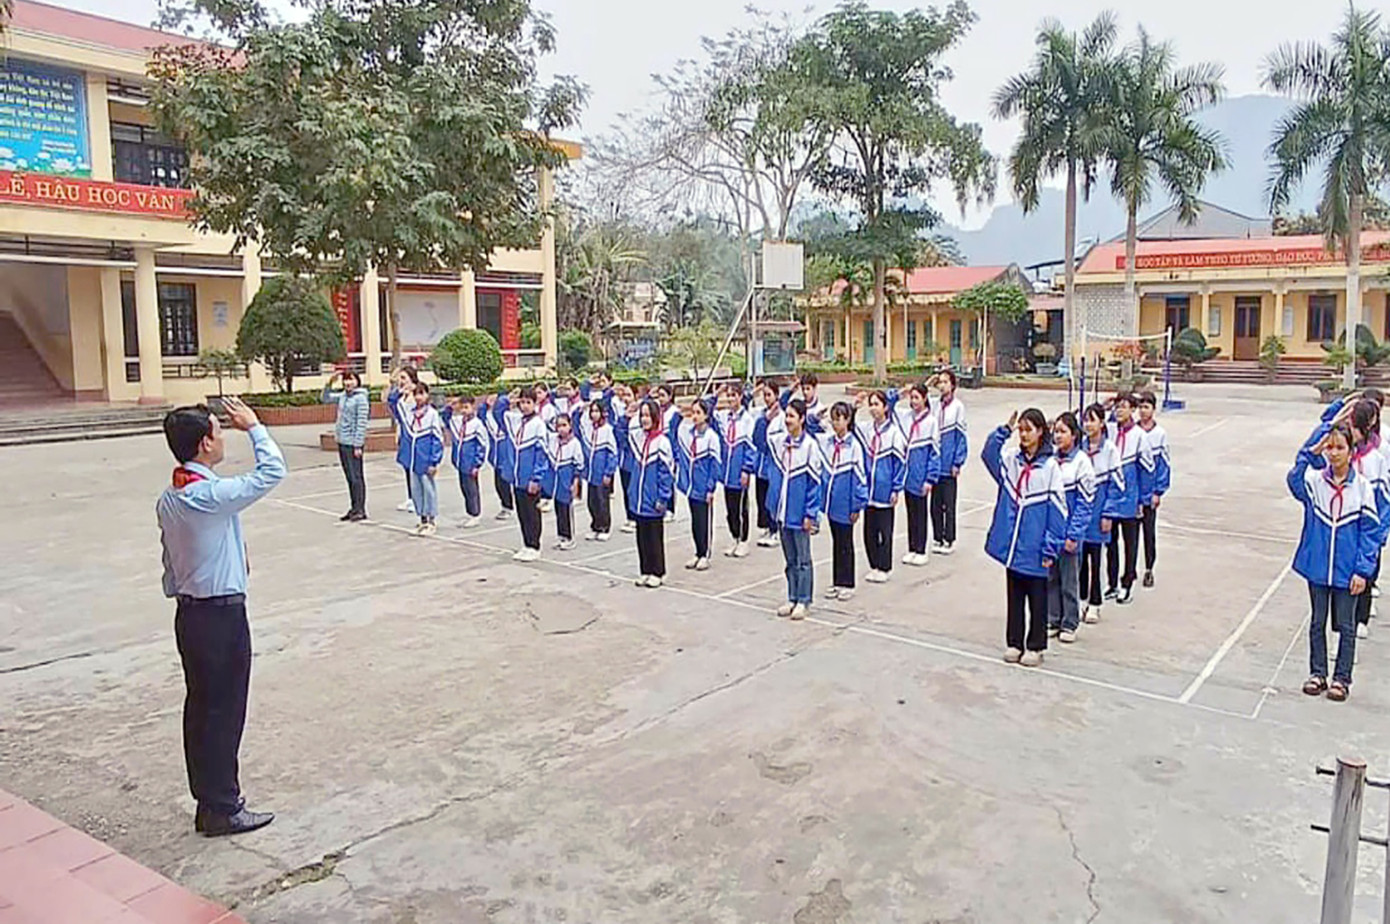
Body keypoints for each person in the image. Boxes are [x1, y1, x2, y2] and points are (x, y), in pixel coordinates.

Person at [157, 397, 286, 836]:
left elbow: (172, 561)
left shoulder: (172, 496)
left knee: (202, 710)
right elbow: (272, 472)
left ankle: (209, 801)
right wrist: (255, 427)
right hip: (219, 617)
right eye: (219, 429)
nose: (224, 435)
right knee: (223, 712)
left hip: (191, 614)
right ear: (205, 442)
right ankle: (223, 806)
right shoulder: (207, 494)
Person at [1289, 416, 1379, 702]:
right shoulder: (1315, 483)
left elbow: (1370, 533)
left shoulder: (1362, 488)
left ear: (1351, 451)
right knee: (1317, 622)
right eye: (1330, 447)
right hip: (1318, 567)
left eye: (1340, 447)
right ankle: (1317, 673)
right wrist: (1311, 450)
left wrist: (1363, 571)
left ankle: (1341, 678)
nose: (1334, 452)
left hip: (1347, 570)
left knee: (1346, 625)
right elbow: (1293, 479)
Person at [983, 408, 1068, 667]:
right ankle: (1014, 642)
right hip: (1013, 545)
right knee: (1015, 595)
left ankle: (1036, 645)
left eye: (1028, 429)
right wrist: (1003, 432)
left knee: (1038, 597)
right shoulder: (1012, 461)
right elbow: (988, 456)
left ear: (1041, 432)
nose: (1023, 434)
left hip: (1036, 545)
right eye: (1021, 429)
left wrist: (1050, 548)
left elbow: (1058, 512)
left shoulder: (1050, 467)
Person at [758, 399, 823, 619]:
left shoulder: (810, 447)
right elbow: (759, 440)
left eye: (792, 416)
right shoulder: (779, 443)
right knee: (790, 559)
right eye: (786, 416)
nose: (787, 420)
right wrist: (765, 418)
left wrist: (810, 513)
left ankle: (804, 600)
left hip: (800, 512)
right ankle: (792, 596)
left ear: (802, 419)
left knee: (803, 559)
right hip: (782, 512)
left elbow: (815, 483)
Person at [615, 398, 676, 587]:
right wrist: (625, 417)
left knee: (654, 535)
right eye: (642, 415)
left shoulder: (662, 442)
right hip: (638, 497)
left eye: (648, 415)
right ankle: (645, 570)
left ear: (656, 417)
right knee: (641, 536)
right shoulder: (638, 439)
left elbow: (666, 473)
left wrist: (663, 497)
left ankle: (658, 571)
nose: (644, 419)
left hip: (654, 497)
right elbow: (620, 436)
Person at [1047, 412, 1094, 644]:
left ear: (1074, 436)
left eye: (1063, 432)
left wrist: (1074, 533)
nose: (1058, 436)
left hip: (1069, 533)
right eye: (1055, 431)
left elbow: (1085, 504)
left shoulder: (1082, 463)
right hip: (1051, 532)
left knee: (1069, 579)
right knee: (1050, 577)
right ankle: (1053, 618)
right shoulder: (1050, 460)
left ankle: (1070, 622)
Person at [854, 389, 906, 583]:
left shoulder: (893, 434)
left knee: (885, 531)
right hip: (869, 491)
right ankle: (874, 564)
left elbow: (900, 463)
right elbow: (850, 427)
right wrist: (854, 406)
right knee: (869, 532)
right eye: (871, 404)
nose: (873, 408)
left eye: (877, 404)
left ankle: (885, 566)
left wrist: (896, 488)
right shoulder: (867, 430)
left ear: (885, 407)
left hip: (885, 491)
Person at [818, 400, 868, 601]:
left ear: (847, 420)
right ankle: (837, 581)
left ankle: (848, 582)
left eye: (840, 419)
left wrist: (857, 505)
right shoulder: (828, 442)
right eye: (833, 418)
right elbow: (812, 427)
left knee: (846, 543)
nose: (836, 423)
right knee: (836, 542)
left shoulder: (854, 446)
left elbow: (859, 478)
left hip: (846, 503)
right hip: (831, 502)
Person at [1105, 393, 1151, 604]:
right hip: (1111, 498)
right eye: (1117, 407)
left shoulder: (1140, 436)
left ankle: (1127, 583)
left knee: (1130, 544)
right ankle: (1112, 583)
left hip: (1131, 498)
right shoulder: (1110, 431)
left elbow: (1146, 469)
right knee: (1110, 542)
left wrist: (1144, 499)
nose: (1119, 411)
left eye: (1123, 407)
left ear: (1133, 409)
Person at [887, 384, 941, 566]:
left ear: (925, 398)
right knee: (911, 512)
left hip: (921, 471)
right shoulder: (905, 417)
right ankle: (912, 548)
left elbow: (934, 452)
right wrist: (901, 392)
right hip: (907, 473)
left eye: (917, 397)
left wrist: (930, 478)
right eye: (911, 398)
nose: (913, 401)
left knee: (920, 512)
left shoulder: (931, 422)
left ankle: (921, 549)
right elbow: (888, 403)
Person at [1079, 404, 1122, 625]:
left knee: (1095, 558)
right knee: (1080, 559)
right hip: (1081, 511)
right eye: (1086, 420)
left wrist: (1108, 513)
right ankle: (1081, 599)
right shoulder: (1079, 448)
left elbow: (1117, 485)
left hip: (1099, 511)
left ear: (1102, 423)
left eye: (1092, 420)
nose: (1088, 424)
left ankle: (1095, 602)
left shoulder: (1110, 450)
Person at [503, 386, 551, 561]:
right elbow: (498, 413)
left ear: (535, 403)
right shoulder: (516, 421)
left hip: (530, 478)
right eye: (522, 402)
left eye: (528, 402)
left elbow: (542, 455)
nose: (524, 406)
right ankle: (526, 543)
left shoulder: (538, 425)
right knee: (522, 512)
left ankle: (534, 545)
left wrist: (536, 478)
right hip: (517, 478)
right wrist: (509, 398)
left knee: (532, 512)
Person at [676, 398, 722, 571]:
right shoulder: (689, 434)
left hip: (704, 487)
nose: (694, 416)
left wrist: (711, 487)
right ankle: (697, 551)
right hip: (691, 486)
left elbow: (715, 465)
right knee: (695, 521)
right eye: (693, 412)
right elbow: (674, 431)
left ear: (706, 415)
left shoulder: (711, 437)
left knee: (704, 520)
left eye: (698, 413)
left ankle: (705, 554)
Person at [713, 383, 757, 557]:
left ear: (740, 397)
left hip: (740, 471)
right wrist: (717, 392)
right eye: (728, 395)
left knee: (741, 507)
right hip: (727, 471)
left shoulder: (747, 420)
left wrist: (747, 469)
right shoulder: (723, 417)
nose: (730, 399)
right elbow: (706, 409)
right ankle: (734, 536)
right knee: (730, 507)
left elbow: (750, 447)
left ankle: (743, 540)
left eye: (733, 395)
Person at [395, 383, 444, 536]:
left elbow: (437, 439)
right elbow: (394, 405)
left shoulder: (432, 414)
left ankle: (431, 521)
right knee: (416, 491)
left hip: (425, 459)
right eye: (416, 394)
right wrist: (401, 391)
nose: (418, 397)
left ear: (427, 395)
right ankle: (422, 520)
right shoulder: (410, 413)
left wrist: (433, 461)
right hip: (413, 460)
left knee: (428, 490)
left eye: (421, 394)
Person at [321, 369, 369, 521]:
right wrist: (329, 382)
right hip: (342, 441)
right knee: (349, 477)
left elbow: (361, 422)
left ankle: (360, 509)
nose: (348, 383)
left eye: (352, 379)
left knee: (356, 477)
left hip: (353, 443)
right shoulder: (343, 396)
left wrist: (358, 445)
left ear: (357, 381)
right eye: (346, 380)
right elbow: (325, 398)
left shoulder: (361, 398)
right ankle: (353, 507)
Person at [929, 370, 968, 555]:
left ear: (952, 385)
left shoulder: (958, 407)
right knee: (934, 505)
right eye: (940, 382)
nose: (942, 385)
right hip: (935, 466)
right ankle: (937, 537)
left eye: (945, 382)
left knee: (949, 505)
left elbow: (961, 436)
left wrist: (957, 462)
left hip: (949, 464)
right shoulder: (934, 405)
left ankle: (949, 539)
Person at [1135, 391, 1171, 588]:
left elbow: (1163, 465)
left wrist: (1158, 491)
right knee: (1130, 536)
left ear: (1153, 410)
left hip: (1149, 495)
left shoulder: (1159, 435)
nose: (1143, 411)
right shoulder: (1131, 432)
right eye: (1140, 407)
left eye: (1146, 407)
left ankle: (1149, 568)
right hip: (1133, 493)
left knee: (1149, 533)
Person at [752, 382, 787, 547]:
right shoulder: (762, 415)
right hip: (761, 467)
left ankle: (775, 530)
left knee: (773, 498)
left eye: (769, 395)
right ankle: (767, 527)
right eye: (764, 395)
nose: (766, 399)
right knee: (762, 499)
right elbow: (757, 439)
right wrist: (765, 420)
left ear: (776, 395)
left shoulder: (782, 417)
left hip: (774, 466)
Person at [545, 411, 585, 551]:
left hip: (566, 479)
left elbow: (579, 464)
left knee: (566, 509)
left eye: (564, 425)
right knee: (558, 509)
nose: (561, 428)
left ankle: (569, 537)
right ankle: (561, 535)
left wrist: (575, 482)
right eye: (558, 425)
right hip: (556, 480)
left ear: (570, 426)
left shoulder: (575, 443)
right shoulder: (553, 440)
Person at [582, 400, 619, 541]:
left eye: (597, 411)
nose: (594, 414)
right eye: (592, 411)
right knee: (592, 501)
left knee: (602, 500)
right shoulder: (590, 428)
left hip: (602, 473)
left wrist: (608, 472)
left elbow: (612, 454)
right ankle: (595, 525)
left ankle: (604, 526)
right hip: (591, 474)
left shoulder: (608, 430)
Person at [386, 366, 421, 513]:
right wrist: (398, 390)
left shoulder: (418, 395)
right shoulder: (401, 398)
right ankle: (410, 497)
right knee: (407, 466)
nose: (401, 381)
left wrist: (412, 392)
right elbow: (391, 402)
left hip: (416, 436)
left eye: (404, 378)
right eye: (400, 378)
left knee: (416, 468)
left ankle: (418, 498)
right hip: (404, 434)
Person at [482, 392, 514, 521]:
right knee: (499, 484)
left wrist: (506, 400)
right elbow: (481, 415)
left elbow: (499, 412)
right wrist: (485, 404)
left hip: (507, 457)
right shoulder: (491, 419)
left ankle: (509, 506)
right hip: (496, 458)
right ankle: (506, 505)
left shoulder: (508, 419)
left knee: (509, 483)